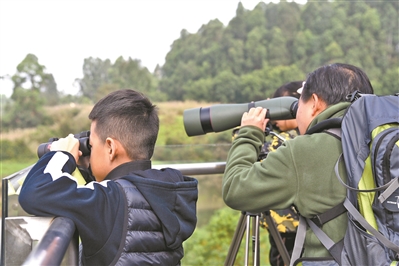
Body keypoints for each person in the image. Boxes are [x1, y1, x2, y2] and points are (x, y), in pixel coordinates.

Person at [19, 89, 198, 266]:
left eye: (92, 145)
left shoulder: (108, 200)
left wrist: (62, 154)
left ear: (111, 148)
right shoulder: (168, 191)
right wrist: (90, 167)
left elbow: (34, 191)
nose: (90, 150)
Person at [222, 63, 374, 261]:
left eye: (297, 105)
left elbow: (236, 189)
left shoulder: (305, 150)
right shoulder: (380, 138)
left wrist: (249, 133)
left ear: (315, 102)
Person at [261, 81, 303, 266]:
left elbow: (255, 157)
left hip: (286, 226)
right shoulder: (311, 134)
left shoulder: (285, 141)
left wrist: (250, 126)